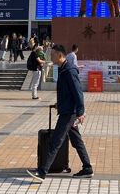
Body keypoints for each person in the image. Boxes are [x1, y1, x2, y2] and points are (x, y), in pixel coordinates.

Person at [27, 44, 93, 182]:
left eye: (52, 54)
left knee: (55, 141)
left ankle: (42, 172)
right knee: (76, 140)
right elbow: (67, 92)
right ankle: (87, 168)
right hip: (67, 110)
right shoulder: (63, 69)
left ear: (60, 55)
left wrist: (81, 111)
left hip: (69, 114)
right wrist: (60, 104)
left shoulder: (69, 71)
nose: (50, 57)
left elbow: (78, 92)